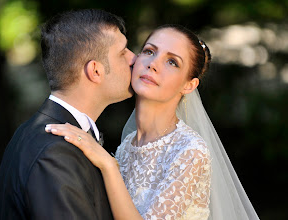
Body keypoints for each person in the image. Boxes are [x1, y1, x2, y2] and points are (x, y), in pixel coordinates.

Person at [46, 24, 260, 219]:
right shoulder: (127, 146)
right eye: (149, 51)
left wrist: (108, 165)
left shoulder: (190, 151)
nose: (153, 64)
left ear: (189, 85)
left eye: (172, 62)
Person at [0, 9, 136, 220]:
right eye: (123, 52)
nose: (134, 58)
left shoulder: (49, 134)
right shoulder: (54, 154)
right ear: (95, 71)